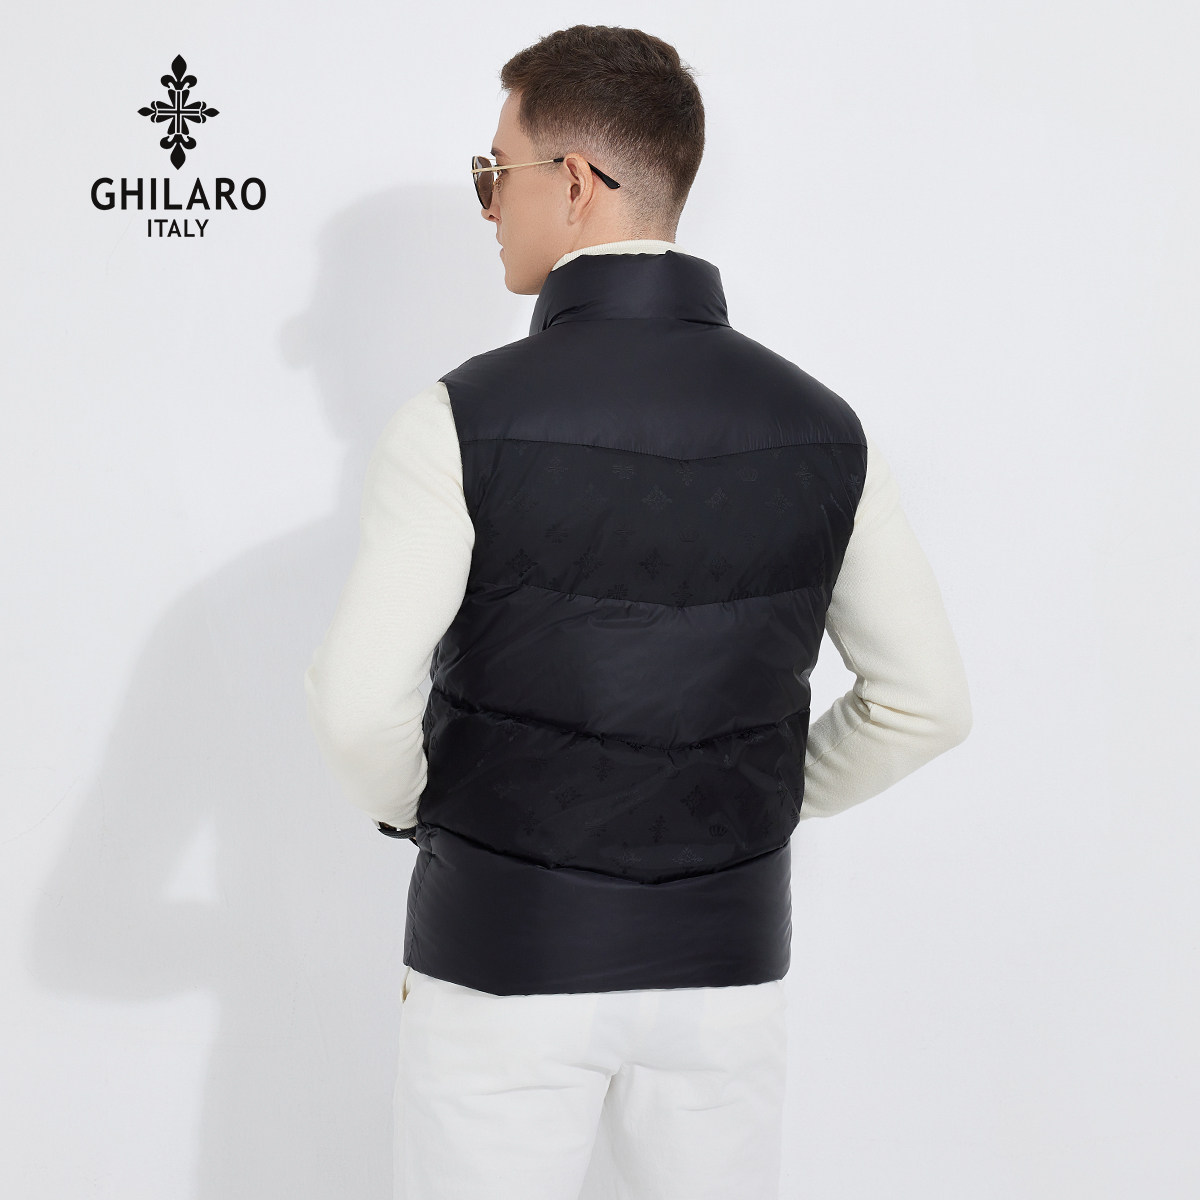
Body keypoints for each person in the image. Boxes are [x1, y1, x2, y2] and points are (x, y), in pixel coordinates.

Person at [304, 23, 972, 1200]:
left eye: (494, 173)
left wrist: (436, 814)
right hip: (726, 976)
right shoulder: (827, 428)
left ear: (573, 182)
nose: (487, 206)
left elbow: (359, 711)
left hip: (502, 963)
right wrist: (737, 803)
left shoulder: (457, 420)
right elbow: (926, 704)